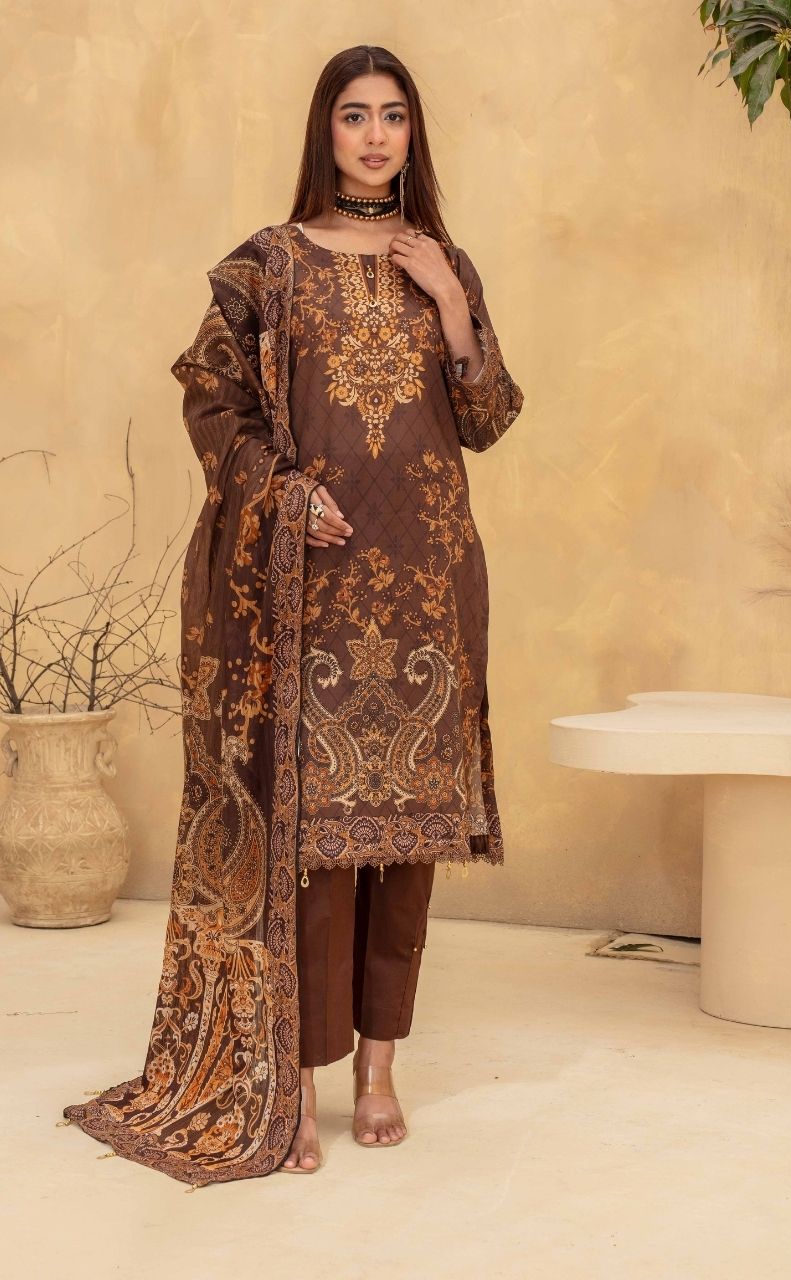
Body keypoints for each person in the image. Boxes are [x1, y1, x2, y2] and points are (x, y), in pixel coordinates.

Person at [60, 44, 524, 1187]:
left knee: (403, 846)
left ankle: (380, 1068)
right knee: (313, 845)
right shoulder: (266, 265)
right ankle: (300, 1079)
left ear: (413, 135)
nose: (374, 136)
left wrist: (452, 303)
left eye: (393, 116)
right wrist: (282, 491)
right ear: (324, 131)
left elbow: (486, 417)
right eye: (354, 116)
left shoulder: (442, 260)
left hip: (426, 584)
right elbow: (211, 403)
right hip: (309, 586)